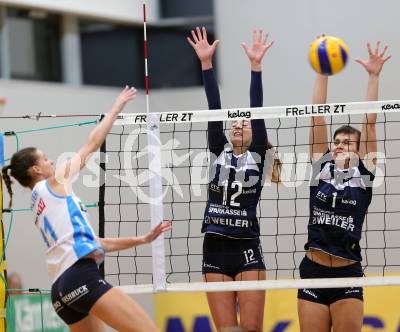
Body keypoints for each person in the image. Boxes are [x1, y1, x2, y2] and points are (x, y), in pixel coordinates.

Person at [1, 87, 172, 332]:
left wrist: (143, 239)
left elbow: (96, 242)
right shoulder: (54, 182)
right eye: (45, 158)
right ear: (36, 170)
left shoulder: (40, 204)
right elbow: (91, 145)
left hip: (61, 292)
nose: (51, 161)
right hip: (81, 276)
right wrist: (115, 109)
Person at [298, 41, 391, 332]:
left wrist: (373, 77)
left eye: (347, 142)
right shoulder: (321, 169)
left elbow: (370, 122)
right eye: (336, 141)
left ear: (359, 148)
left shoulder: (365, 173)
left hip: (347, 273)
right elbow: (317, 115)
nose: (339, 145)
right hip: (313, 271)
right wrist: (322, 71)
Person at [187, 27, 275, 331]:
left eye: (245, 123)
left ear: (255, 133)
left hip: (247, 247)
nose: (238, 124)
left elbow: (258, 108)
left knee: (251, 329)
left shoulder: (259, 156)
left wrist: (256, 67)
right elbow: (214, 108)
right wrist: (206, 64)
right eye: (235, 121)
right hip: (214, 247)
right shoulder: (217, 150)